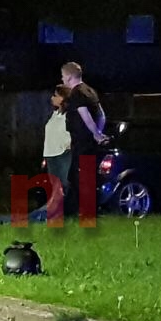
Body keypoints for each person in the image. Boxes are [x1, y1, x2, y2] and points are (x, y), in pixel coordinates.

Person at [60, 62, 107, 216]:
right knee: (82, 177)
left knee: (77, 177)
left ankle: (81, 211)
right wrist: (99, 132)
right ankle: (81, 211)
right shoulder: (90, 91)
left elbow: (85, 115)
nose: (62, 79)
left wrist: (95, 133)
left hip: (82, 142)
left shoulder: (76, 93)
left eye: (63, 76)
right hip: (89, 143)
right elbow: (101, 114)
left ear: (69, 76)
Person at [32, 85, 72, 221]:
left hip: (62, 154)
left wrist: (67, 145)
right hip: (50, 154)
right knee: (54, 185)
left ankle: (58, 214)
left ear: (63, 98)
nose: (52, 98)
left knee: (62, 185)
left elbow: (71, 133)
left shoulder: (69, 115)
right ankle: (54, 213)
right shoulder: (55, 114)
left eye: (55, 95)